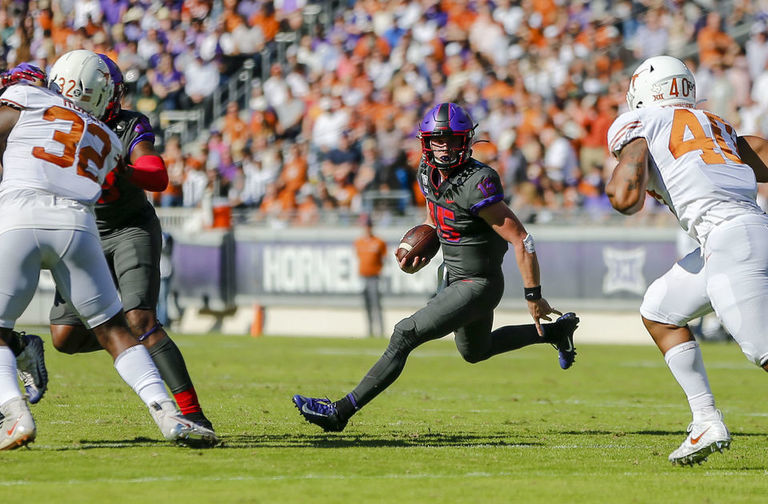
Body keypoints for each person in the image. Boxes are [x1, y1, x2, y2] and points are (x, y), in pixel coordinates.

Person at [292, 102, 579, 432]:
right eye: (437, 139)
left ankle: (339, 412)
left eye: (452, 139)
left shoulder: (478, 181)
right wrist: (426, 247)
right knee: (476, 351)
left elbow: (521, 239)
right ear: (425, 141)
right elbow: (436, 218)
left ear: (466, 141)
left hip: (478, 284)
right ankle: (558, 332)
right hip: (454, 276)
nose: (444, 147)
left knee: (404, 334)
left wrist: (533, 296)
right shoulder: (427, 173)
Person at [0, 49, 216, 450]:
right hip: (82, 229)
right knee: (78, 335)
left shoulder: (70, 112)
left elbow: (156, 174)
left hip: (118, 226)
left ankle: (191, 412)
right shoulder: (95, 131)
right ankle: (161, 407)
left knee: (138, 321)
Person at [605, 55, 768, 466]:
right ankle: (705, 420)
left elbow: (629, 179)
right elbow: (760, 148)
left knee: (762, 350)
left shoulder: (639, 124)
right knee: (660, 309)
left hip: (732, 238)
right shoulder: (715, 124)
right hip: (736, 235)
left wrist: (628, 174)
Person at [354, 214, 388, 337]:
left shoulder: (379, 242)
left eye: (368, 225)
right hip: (363, 277)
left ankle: (381, 330)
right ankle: (370, 330)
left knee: (376, 304)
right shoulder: (359, 242)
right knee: (366, 305)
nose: (367, 228)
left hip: (374, 277)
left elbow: (384, 258)